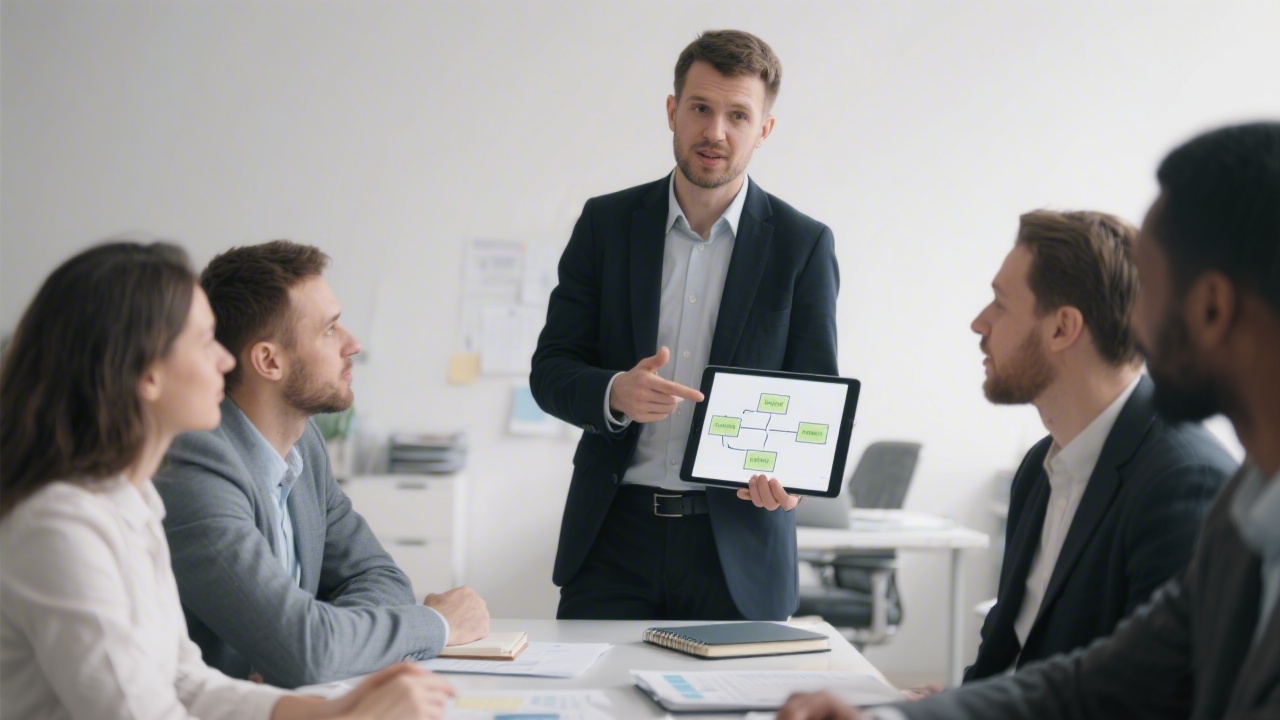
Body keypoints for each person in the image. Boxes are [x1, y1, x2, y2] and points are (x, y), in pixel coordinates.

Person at [778, 122, 1280, 719]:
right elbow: (1095, 681)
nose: (1134, 326)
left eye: (1151, 294)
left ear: (1212, 308)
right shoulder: (1246, 506)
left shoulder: (1194, 481)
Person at [0, 241, 454, 720]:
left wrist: (332, 708)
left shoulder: (131, 501)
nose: (224, 358)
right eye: (204, 341)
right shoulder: (57, 525)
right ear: (148, 375)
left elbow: (185, 681)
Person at [530, 29, 839, 621]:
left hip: (739, 548)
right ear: (673, 112)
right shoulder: (606, 224)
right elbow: (551, 370)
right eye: (700, 108)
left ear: (764, 129)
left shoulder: (803, 245)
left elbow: (813, 399)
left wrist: (792, 475)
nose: (714, 132)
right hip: (612, 539)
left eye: (738, 115)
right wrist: (614, 391)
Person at [153, 240, 489, 688]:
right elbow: (306, 651)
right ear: (268, 360)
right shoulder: (195, 461)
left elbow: (380, 576)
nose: (353, 344)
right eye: (330, 330)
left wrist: (324, 641)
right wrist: (437, 624)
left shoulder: (303, 445)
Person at [963, 210, 1234, 681]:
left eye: (1000, 304)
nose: (978, 324)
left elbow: (1154, 695)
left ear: (1063, 328)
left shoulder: (1183, 481)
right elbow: (1007, 656)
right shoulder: (1039, 469)